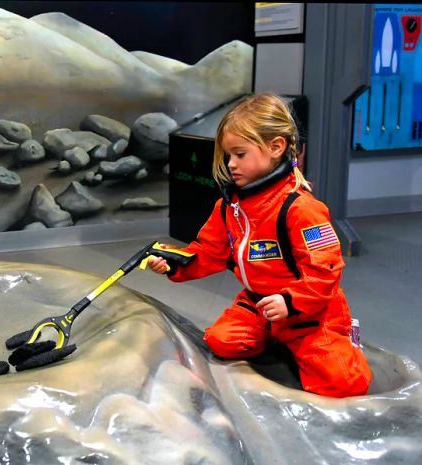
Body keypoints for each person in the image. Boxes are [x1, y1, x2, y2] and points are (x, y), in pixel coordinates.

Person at [147, 94, 372, 397]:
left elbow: (325, 272)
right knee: (221, 341)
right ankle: (277, 337)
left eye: (240, 154)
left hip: (309, 312)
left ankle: (335, 338)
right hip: (259, 303)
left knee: (344, 382)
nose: (231, 164)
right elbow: (208, 252)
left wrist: (290, 303)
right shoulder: (230, 207)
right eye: (228, 156)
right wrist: (174, 262)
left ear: (276, 147)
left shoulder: (301, 208)